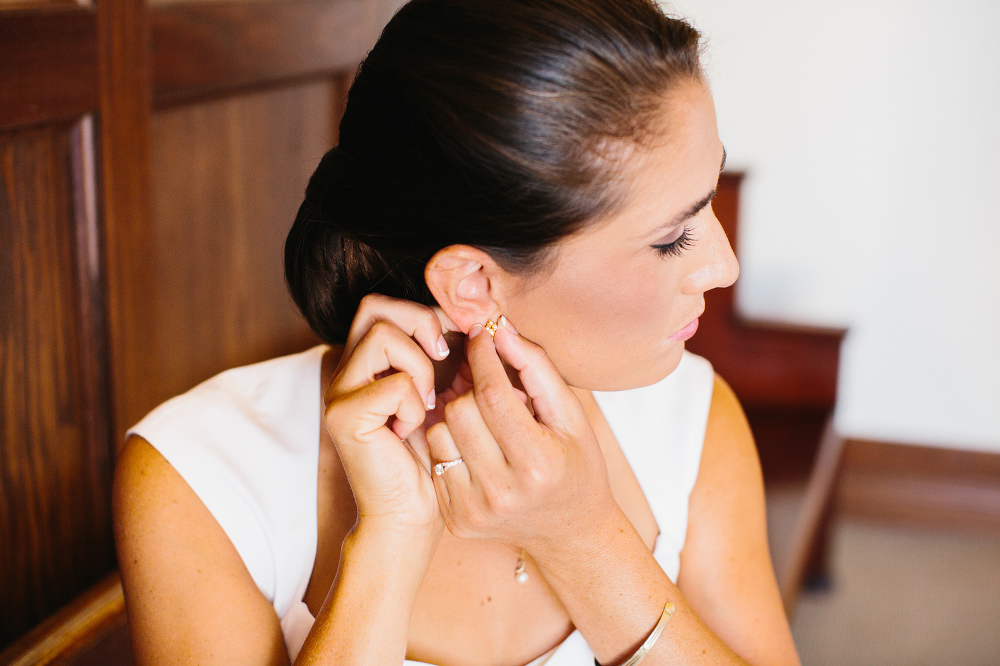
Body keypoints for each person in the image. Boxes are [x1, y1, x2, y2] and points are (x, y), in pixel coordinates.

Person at [113, 0, 801, 664]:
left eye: (708, 198)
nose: (725, 265)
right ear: (472, 282)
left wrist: (586, 540)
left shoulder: (694, 420)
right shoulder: (199, 477)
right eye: (674, 237)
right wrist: (389, 541)